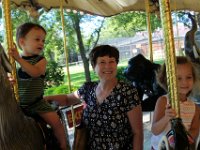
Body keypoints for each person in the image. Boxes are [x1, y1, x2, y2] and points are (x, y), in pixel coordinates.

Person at [45, 45, 143, 150]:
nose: (108, 66)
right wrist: (40, 99)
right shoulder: (88, 89)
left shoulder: (128, 92)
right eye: (102, 62)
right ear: (93, 66)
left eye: (111, 61)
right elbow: (67, 99)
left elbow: (137, 132)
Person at [9, 22, 67, 150]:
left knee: (56, 123)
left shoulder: (40, 60)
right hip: (19, 105)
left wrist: (19, 59)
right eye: (37, 39)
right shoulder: (15, 64)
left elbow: (35, 73)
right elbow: (14, 84)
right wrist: (11, 82)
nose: (41, 43)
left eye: (43, 40)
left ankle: (63, 145)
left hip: (37, 104)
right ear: (22, 42)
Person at [151, 56, 200, 150]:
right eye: (178, 78)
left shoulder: (195, 108)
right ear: (168, 80)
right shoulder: (163, 101)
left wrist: (183, 141)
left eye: (188, 77)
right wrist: (166, 117)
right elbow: (155, 130)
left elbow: (194, 130)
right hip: (161, 147)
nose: (184, 82)